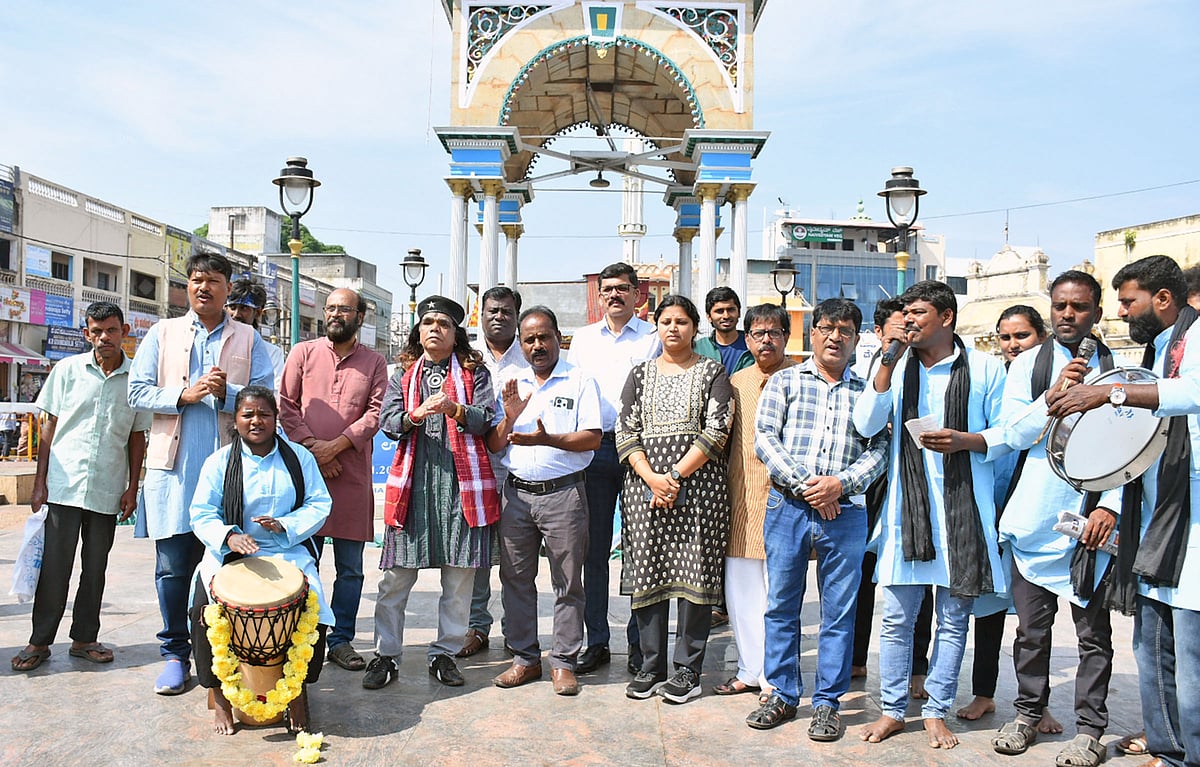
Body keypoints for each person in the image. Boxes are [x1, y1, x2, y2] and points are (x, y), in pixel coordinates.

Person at [1047, 255, 1200, 767]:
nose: (1121, 310)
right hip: (1155, 527)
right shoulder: (1157, 349)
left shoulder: (1195, 339)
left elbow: (1190, 394)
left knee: (1191, 662)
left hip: (1190, 528)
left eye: (1128, 300)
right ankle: (1170, 749)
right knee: (1154, 653)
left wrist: (1107, 392)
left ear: (1162, 298)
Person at [853, 279, 1009, 749]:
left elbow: (1008, 432)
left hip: (964, 512)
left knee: (954, 619)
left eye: (919, 313)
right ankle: (894, 710)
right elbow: (865, 423)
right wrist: (886, 361)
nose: (909, 321)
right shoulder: (894, 368)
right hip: (907, 512)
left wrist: (967, 440)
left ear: (946, 318)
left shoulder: (983, 368)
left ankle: (937, 710)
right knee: (898, 619)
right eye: (906, 314)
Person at [129, 251, 274, 695]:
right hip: (174, 475)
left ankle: (227, 659)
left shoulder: (250, 340)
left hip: (233, 478)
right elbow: (136, 390)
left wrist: (228, 393)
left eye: (212, 280)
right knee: (173, 569)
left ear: (228, 289)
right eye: (195, 280)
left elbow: (267, 400)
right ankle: (175, 655)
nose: (202, 287)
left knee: (231, 570)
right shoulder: (163, 332)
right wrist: (184, 395)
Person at [989, 274, 1116, 766]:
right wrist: (1052, 396)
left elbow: (1133, 448)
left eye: (1079, 307)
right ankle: (1026, 715)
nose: (1068, 315)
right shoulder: (1027, 366)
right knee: (1031, 633)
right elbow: (1014, 434)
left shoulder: (1116, 369)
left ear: (1096, 313)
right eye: (1060, 306)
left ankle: (1089, 731)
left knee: (1093, 637)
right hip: (1035, 519)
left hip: (1090, 522)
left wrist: (1112, 507)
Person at [745, 299, 889, 737]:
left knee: (839, 611)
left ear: (856, 338)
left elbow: (881, 450)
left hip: (844, 513)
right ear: (812, 333)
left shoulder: (869, 393)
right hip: (787, 506)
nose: (834, 337)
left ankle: (828, 701)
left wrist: (839, 486)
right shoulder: (786, 381)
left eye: (844, 330)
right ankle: (783, 695)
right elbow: (764, 439)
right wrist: (811, 485)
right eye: (826, 328)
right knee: (781, 605)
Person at [365, 296, 500, 690]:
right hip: (414, 491)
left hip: (461, 494)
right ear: (418, 331)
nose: (435, 329)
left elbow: (487, 419)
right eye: (428, 323)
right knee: (393, 581)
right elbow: (388, 422)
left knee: (458, 584)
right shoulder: (403, 375)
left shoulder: (475, 374)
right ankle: (386, 655)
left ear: (456, 333)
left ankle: (444, 653)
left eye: (443, 323)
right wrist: (415, 415)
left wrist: (456, 409)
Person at [11, 302, 150, 673]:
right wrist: (39, 483)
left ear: (124, 333)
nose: (104, 337)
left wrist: (132, 487)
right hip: (63, 485)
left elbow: (138, 438)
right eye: (96, 331)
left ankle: (85, 638)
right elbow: (48, 428)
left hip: (107, 487)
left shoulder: (137, 379)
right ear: (87, 333)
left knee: (95, 567)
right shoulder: (67, 371)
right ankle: (39, 641)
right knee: (55, 567)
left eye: (111, 330)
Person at [188, 386, 333, 735]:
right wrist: (229, 536)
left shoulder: (299, 458)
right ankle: (220, 696)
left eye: (263, 414)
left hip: (287, 551)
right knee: (201, 610)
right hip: (228, 556)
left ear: (275, 418)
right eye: (247, 414)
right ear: (236, 420)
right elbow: (201, 512)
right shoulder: (219, 462)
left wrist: (285, 524)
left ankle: (296, 691)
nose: (256, 421)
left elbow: (319, 502)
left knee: (315, 606)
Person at [618, 294, 734, 704]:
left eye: (681, 322)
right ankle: (650, 666)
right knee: (649, 574)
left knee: (694, 580)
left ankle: (688, 670)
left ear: (694, 328)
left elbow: (717, 431)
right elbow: (626, 433)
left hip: (698, 491)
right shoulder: (640, 375)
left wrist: (673, 477)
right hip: (644, 490)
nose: (673, 328)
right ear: (657, 326)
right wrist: (652, 479)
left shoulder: (712, 373)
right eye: (666, 321)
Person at [487, 306, 602, 696]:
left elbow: (592, 438)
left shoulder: (580, 380)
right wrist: (509, 417)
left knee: (568, 583)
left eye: (544, 337)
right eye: (530, 339)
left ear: (558, 338)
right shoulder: (510, 381)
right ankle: (525, 659)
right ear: (521, 343)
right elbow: (494, 442)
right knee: (515, 579)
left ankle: (564, 662)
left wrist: (546, 439)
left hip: (564, 495)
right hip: (517, 496)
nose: (537, 345)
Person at [279, 288, 387, 673]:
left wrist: (335, 448)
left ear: (360, 316)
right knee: (302, 562)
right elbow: (286, 405)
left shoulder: (375, 363)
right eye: (331, 308)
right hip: (307, 479)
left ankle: (340, 640)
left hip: (352, 478)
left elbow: (375, 415)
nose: (336, 314)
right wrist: (313, 452)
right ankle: (300, 638)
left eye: (345, 308)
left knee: (351, 568)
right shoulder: (303, 353)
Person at [952, 305, 1048, 722]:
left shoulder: (1050, 381)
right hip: (993, 505)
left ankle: (1036, 706)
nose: (1012, 345)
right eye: (1006, 337)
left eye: (1022, 336)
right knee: (988, 611)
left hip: (1038, 508)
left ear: (1040, 337)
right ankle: (984, 692)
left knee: (1034, 620)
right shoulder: (992, 378)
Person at [567, 262, 661, 675]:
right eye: (608, 290)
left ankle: (641, 645)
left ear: (637, 294)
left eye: (623, 288)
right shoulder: (583, 340)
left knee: (642, 548)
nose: (615, 295)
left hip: (641, 450)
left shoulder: (654, 338)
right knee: (595, 551)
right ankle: (597, 640)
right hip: (596, 448)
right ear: (599, 296)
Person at [713, 303, 795, 699]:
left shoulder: (800, 377)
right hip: (741, 497)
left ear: (786, 337)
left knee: (778, 594)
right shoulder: (736, 381)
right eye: (759, 334)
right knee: (742, 591)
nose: (767, 340)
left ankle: (775, 678)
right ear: (747, 340)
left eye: (774, 333)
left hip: (787, 501)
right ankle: (749, 669)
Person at [462, 285, 529, 658]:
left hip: (517, 471)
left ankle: (515, 631)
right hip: (475, 470)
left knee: (516, 558)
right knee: (477, 556)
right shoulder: (467, 359)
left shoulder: (532, 358)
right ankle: (476, 626)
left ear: (516, 317)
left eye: (506, 311)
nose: (498, 317)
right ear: (480, 314)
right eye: (492, 310)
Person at [225, 279, 286, 390]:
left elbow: (273, 394)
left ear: (258, 312)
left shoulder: (272, 353)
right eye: (232, 307)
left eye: (244, 308)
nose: (236, 314)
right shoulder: (218, 344)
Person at [695, 286, 752, 376]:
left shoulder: (752, 345)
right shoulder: (697, 348)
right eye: (719, 311)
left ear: (739, 313)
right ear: (709, 317)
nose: (726, 316)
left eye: (731, 310)